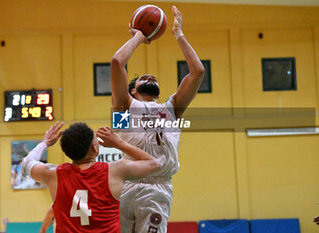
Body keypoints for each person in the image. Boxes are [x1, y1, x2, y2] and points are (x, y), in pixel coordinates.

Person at [110, 5, 205, 233]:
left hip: (157, 188)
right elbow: (116, 62)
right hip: (126, 185)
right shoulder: (124, 109)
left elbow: (198, 72)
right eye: (143, 78)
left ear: (160, 94)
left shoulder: (171, 109)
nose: (150, 76)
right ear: (132, 91)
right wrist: (139, 36)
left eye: (152, 77)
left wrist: (179, 34)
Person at [21, 121, 161, 233]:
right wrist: (118, 143)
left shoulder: (54, 174)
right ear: (95, 147)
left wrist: (45, 143)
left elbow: (26, 162)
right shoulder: (115, 170)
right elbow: (154, 164)